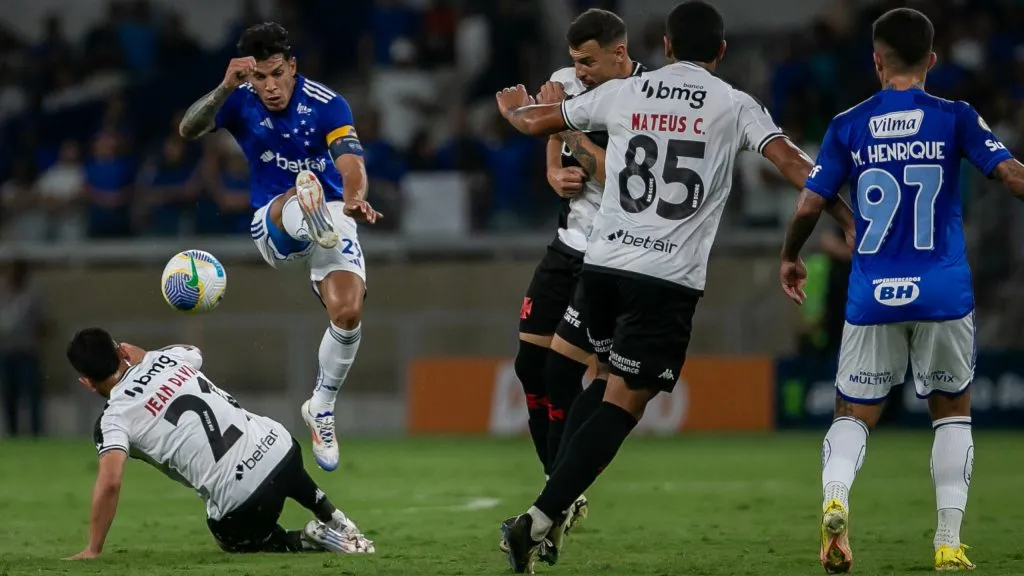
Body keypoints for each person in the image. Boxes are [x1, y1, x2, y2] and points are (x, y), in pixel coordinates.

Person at [492, 1, 855, 571]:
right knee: (622, 402)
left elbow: (541, 120)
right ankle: (540, 518)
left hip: (604, 264)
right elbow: (795, 165)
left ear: (664, 46)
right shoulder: (735, 104)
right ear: (722, 52)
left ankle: (548, 509)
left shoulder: (627, 93)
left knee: (572, 375)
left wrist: (515, 109)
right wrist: (846, 215)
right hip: (665, 280)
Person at [778, 7, 1024, 573]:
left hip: (872, 292)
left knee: (852, 414)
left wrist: (791, 255)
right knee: (951, 415)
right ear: (932, 60)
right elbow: (1010, 175)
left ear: (876, 60)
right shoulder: (955, 116)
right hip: (941, 292)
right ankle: (947, 543)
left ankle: (836, 498)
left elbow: (810, 203)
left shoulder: (848, 123)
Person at [178, 22, 382, 472]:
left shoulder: (328, 104)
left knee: (347, 315)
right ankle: (304, 206)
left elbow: (351, 164)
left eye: (276, 74)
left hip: (334, 213)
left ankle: (321, 407)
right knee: (299, 193)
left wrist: (355, 198)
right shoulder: (239, 101)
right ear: (248, 77)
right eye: (259, 78)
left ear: (292, 67)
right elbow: (188, 129)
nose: (269, 87)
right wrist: (222, 88)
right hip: (272, 221)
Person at [510, 8, 644, 553]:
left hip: (611, 258)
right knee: (529, 367)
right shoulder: (566, 85)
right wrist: (551, 168)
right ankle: (556, 490)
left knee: (569, 376)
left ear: (620, 53)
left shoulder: (644, 98)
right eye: (574, 63)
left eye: (589, 63)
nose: (579, 73)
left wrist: (560, 126)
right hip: (568, 244)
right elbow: (550, 137)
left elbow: (623, 178)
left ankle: (558, 497)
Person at [63, 328, 374, 560]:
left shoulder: (113, 419)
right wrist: (144, 355)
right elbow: (193, 351)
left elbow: (111, 483)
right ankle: (335, 518)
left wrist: (94, 547)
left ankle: (306, 538)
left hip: (242, 500)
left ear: (87, 382)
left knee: (230, 539)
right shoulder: (164, 358)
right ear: (122, 351)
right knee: (280, 457)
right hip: (283, 449)